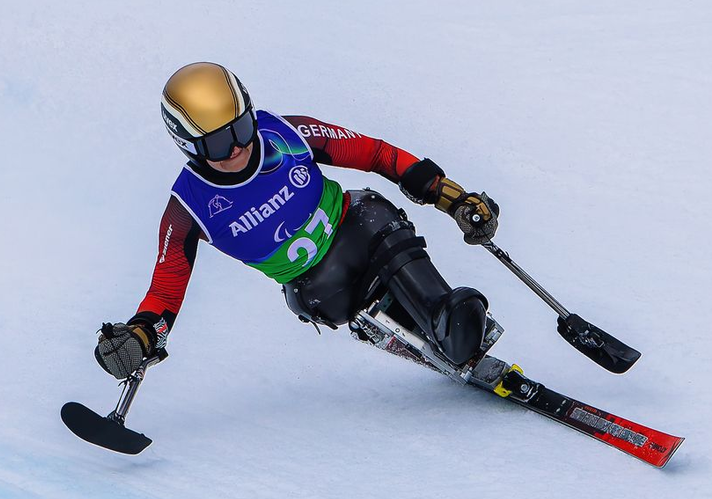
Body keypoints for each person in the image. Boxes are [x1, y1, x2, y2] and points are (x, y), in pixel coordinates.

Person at [95, 62, 500, 381]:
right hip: (321, 286)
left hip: (363, 226)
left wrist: (451, 197)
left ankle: (447, 321)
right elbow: (165, 293)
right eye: (218, 142)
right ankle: (448, 327)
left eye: (240, 127)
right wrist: (140, 336)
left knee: (378, 220)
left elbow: (375, 154)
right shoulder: (189, 208)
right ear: (188, 145)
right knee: (358, 259)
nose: (237, 146)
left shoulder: (286, 133)